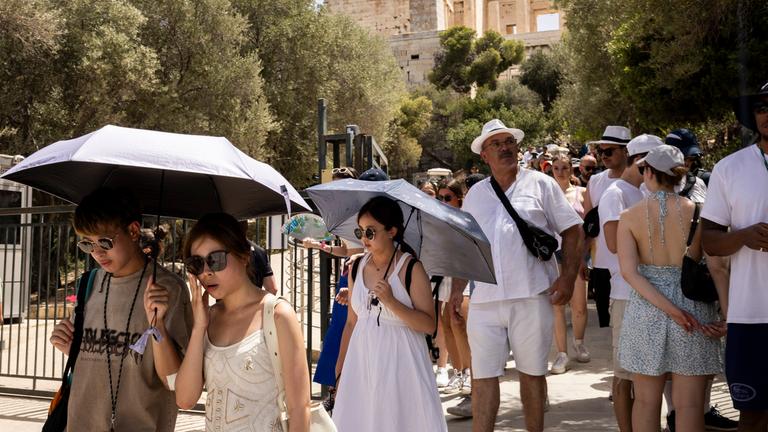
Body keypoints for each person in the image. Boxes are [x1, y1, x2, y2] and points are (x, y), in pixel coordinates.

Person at [448, 119, 583, 431]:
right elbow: (468, 244)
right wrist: (457, 290)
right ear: (484, 155)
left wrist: (567, 278)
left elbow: (573, 231)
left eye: (509, 141)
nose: (505, 147)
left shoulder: (541, 184)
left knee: (532, 374)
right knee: (482, 378)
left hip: (531, 295)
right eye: (496, 144)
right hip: (484, 299)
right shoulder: (477, 194)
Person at [48, 187, 193, 431]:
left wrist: (157, 327)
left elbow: (177, 382)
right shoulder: (89, 283)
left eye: (105, 241)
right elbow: (99, 354)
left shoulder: (169, 289)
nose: (97, 252)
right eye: (87, 244)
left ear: (133, 230)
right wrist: (71, 347)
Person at [617, 145, 723, 432]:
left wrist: (670, 311)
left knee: (646, 402)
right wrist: (724, 314)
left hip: (647, 309)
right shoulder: (700, 213)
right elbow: (717, 267)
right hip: (694, 309)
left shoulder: (629, 216)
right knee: (689, 405)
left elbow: (629, 272)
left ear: (649, 172)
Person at [175, 213, 311, 431]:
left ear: (244, 256)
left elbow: (299, 408)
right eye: (197, 263)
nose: (207, 272)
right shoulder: (207, 318)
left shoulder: (277, 315)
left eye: (215, 259)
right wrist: (199, 327)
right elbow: (184, 399)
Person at [332, 196, 447, 431]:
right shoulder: (356, 267)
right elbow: (352, 323)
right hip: (362, 361)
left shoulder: (411, 268)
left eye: (370, 232)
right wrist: (340, 367)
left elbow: (429, 325)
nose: (364, 239)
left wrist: (392, 303)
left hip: (401, 362)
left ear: (392, 231)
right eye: (360, 231)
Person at [702, 81, 768, 431]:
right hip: (750, 315)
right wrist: (743, 236)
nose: (767, 114)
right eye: (761, 107)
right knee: (753, 416)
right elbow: (709, 241)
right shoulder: (730, 168)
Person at [663, 129, 737, 432]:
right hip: (675, 278)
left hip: (700, 277)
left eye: (693, 156)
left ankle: (701, 411)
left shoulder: (703, 184)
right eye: (686, 156)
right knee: (675, 363)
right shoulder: (654, 194)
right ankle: (677, 415)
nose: (691, 161)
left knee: (703, 357)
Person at [600, 134, 663, 430]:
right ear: (642, 161)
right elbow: (613, 243)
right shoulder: (616, 192)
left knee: (647, 373)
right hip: (626, 294)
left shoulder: (646, 191)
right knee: (623, 374)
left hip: (650, 292)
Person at [582, 125, 632, 329]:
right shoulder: (595, 181)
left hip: (633, 265)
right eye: (600, 151)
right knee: (609, 327)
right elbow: (587, 225)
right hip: (602, 265)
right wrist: (581, 259)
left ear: (625, 151)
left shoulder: (642, 182)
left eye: (609, 151)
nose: (603, 156)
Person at [549, 155, 590, 375]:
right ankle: (561, 353)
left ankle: (579, 342)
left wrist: (585, 254)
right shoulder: (546, 193)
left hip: (576, 254)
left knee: (579, 305)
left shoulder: (581, 193)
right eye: (556, 168)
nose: (560, 171)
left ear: (571, 168)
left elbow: (591, 226)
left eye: (564, 167)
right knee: (557, 305)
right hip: (553, 254)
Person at [436, 179, 472, 394]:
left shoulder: (467, 219)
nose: (443, 201)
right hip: (445, 275)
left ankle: (469, 374)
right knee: (447, 324)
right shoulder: (440, 220)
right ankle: (457, 373)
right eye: (440, 198)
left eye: (447, 197)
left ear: (459, 198)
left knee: (459, 323)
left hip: (465, 276)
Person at [239, 220, 277, 294]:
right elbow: (272, 288)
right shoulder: (260, 251)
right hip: (255, 302)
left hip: (226, 304)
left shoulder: (221, 251)